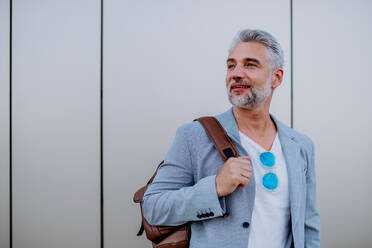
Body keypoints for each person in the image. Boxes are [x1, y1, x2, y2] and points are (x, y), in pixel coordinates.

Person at [142, 29, 320, 248]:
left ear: (277, 77)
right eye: (231, 65)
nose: (236, 73)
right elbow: (152, 208)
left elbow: (308, 224)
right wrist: (215, 187)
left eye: (250, 64)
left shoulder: (301, 146)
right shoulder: (194, 136)